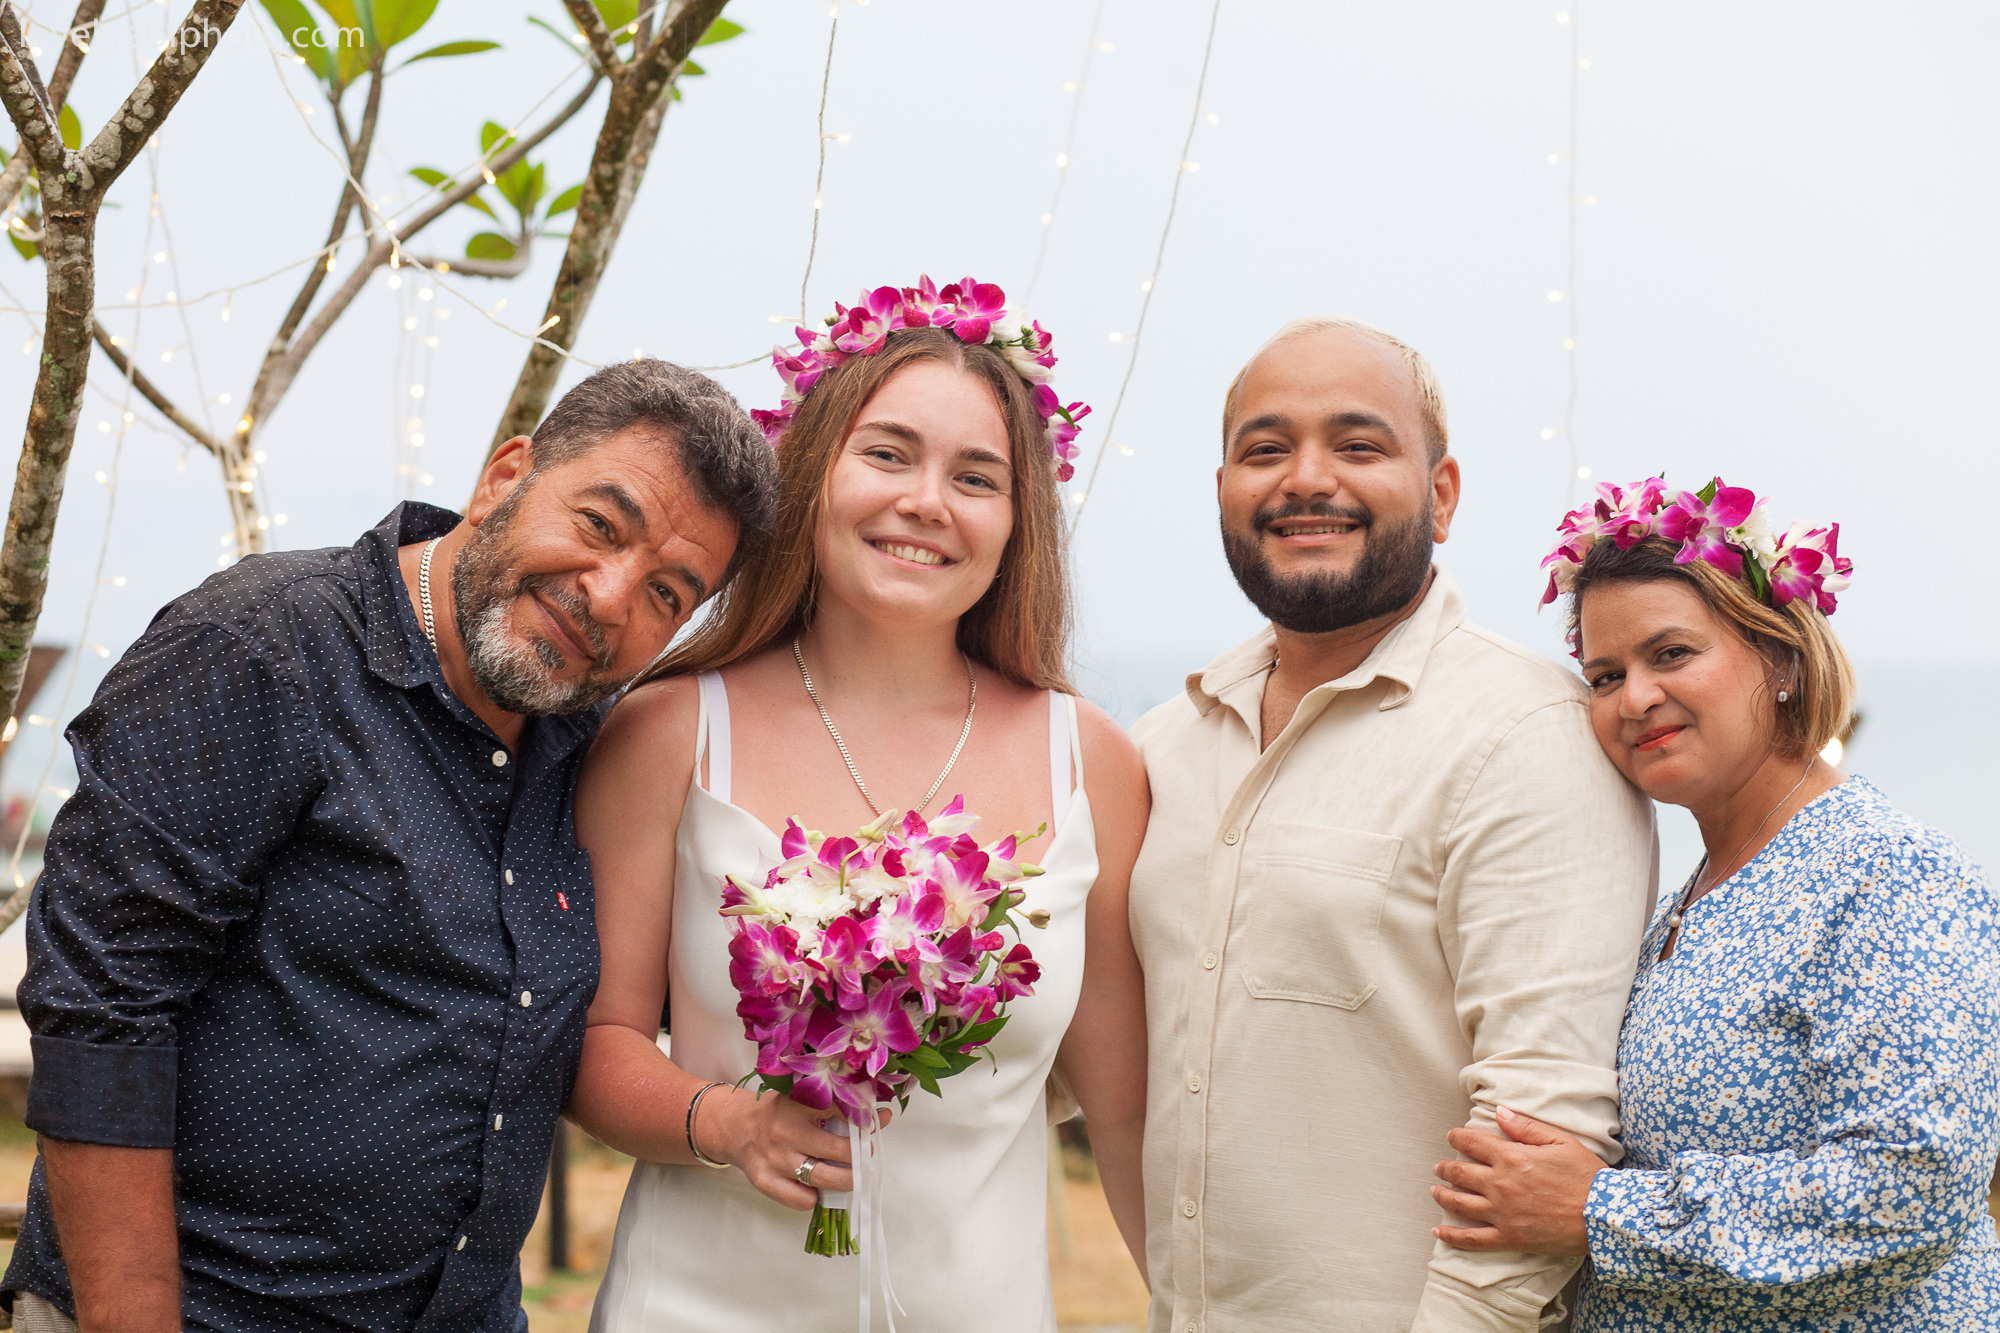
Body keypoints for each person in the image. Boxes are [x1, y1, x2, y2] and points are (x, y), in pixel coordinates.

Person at [0, 361, 779, 1333]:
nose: (612, 596)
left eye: (668, 592)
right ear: (504, 475)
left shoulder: (589, 749)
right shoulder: (264, 649)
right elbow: (102, 1013)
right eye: (598, 526)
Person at [568, 276, 1150, 1333]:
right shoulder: (664, 734)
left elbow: (1123, 1112)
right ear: (810, 467)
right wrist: (724, 1120)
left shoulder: (1091, 761)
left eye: (975, 476)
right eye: (886, 454)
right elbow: (595, 1043)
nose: (924, 501)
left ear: (1018, 522)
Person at [1127, 317, 1657, 1332]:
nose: (1305, 479)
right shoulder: (1165, 745)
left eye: (1358, 445)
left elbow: (1537, 1134)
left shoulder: (1524, 737)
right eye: (1265, 448)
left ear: (1442, 494)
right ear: (1222, 491)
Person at [1429, 478, 2000, 1331]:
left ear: (1780, 657)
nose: (1635, 698)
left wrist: (1598, 1210)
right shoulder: (1684, 902)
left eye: (1671, 654)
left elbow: (1908, 1184)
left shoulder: (1891, 876)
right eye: (1604, 674)